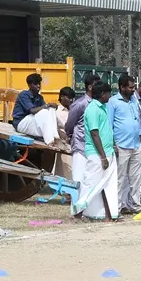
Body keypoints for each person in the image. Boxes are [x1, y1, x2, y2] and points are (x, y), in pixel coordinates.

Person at [78, 81, 119, 221]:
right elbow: (94, 133)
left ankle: (109, 215)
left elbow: (106, 130)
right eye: (108, 94)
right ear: (102, 94)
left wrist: (113, 147)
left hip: (108, 151)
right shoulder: (92, 109)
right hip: (97, 154)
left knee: (108, 185)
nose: (110, 97)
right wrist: (102, 157)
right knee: (91, 183)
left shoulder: (103, 107)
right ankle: (77, 212)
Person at [108, 75, 141, 216]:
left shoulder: (134, 100)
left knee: (136, 177)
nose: (133, 89)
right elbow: (109, 124)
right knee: (120, 178)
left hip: (136, 144)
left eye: (134, 86)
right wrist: (113, 145)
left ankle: (135, 205)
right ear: (122, 87)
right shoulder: (113, 102)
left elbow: (138, 121)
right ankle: (116, 207)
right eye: (130, 87)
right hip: (121, 145)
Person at [63, 73, 99, 210]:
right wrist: (71, 136)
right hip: (80, 145)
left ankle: (88, 208)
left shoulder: (98, 104)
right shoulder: (80, 104)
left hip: (93, 148)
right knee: (78, 178)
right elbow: (69, 125)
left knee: (90, 179)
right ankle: (76, 209)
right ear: (90, 87)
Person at [11, 73, 61, 147]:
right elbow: (32, 111)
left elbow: (47, 113)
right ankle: (50, 142)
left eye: (39, 84)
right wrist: (47, 105)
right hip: (21, 123)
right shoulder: (24, 95)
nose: (38, 86)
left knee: (51, 110)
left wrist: (52, 106)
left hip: (31, 122)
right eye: (35, 84)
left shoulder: (39, 97)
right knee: (45, 111)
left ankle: (56, 137)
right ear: (29, 85)